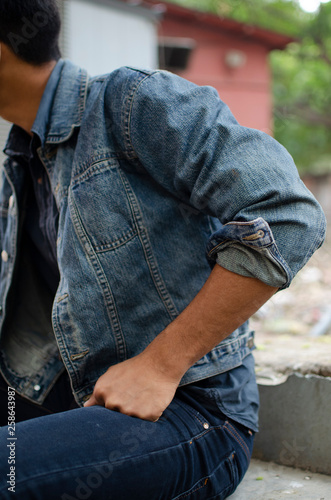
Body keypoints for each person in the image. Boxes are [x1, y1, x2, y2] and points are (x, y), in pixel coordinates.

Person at [0, 1, 326, 499]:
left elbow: (287, 213)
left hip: (192, 412)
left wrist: (160, 364)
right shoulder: (22, 157)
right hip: (69, 400)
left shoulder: (132, 102)